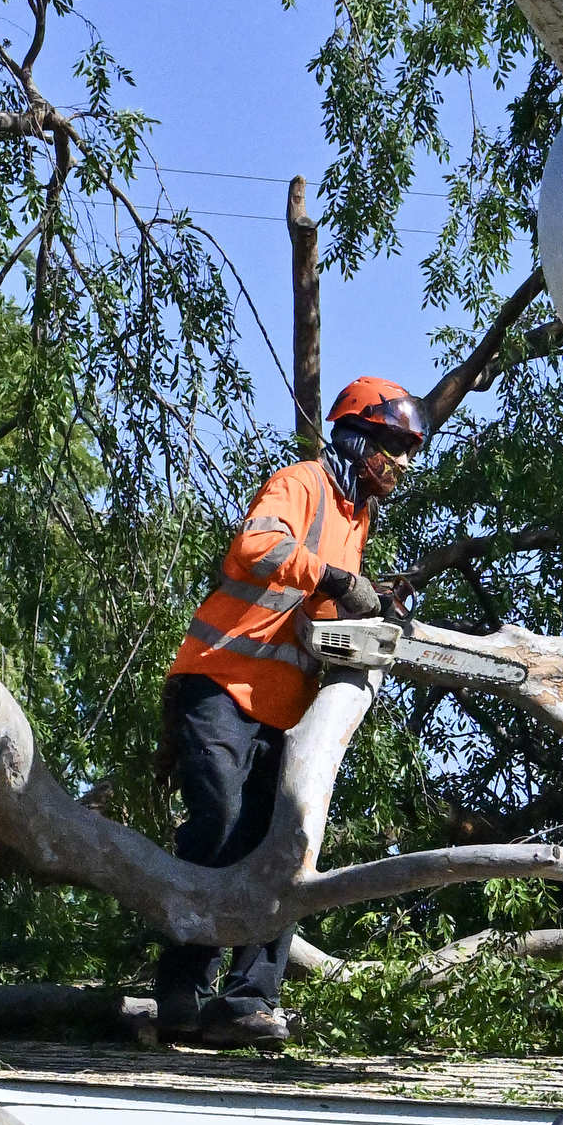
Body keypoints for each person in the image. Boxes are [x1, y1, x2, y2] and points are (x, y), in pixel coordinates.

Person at [154, 373, 428, 1050]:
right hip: (219, 681)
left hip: (283, 708)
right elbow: (256, 548)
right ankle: (181, 985)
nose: (401, 463)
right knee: (216, 823)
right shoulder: (302, 482)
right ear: (357, 434)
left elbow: (320, 609)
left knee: (282, 844)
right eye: (393, 445)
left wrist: (373, 603)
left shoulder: (356, 517)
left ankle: (247, 1002)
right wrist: (338, 580)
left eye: (408, 450)